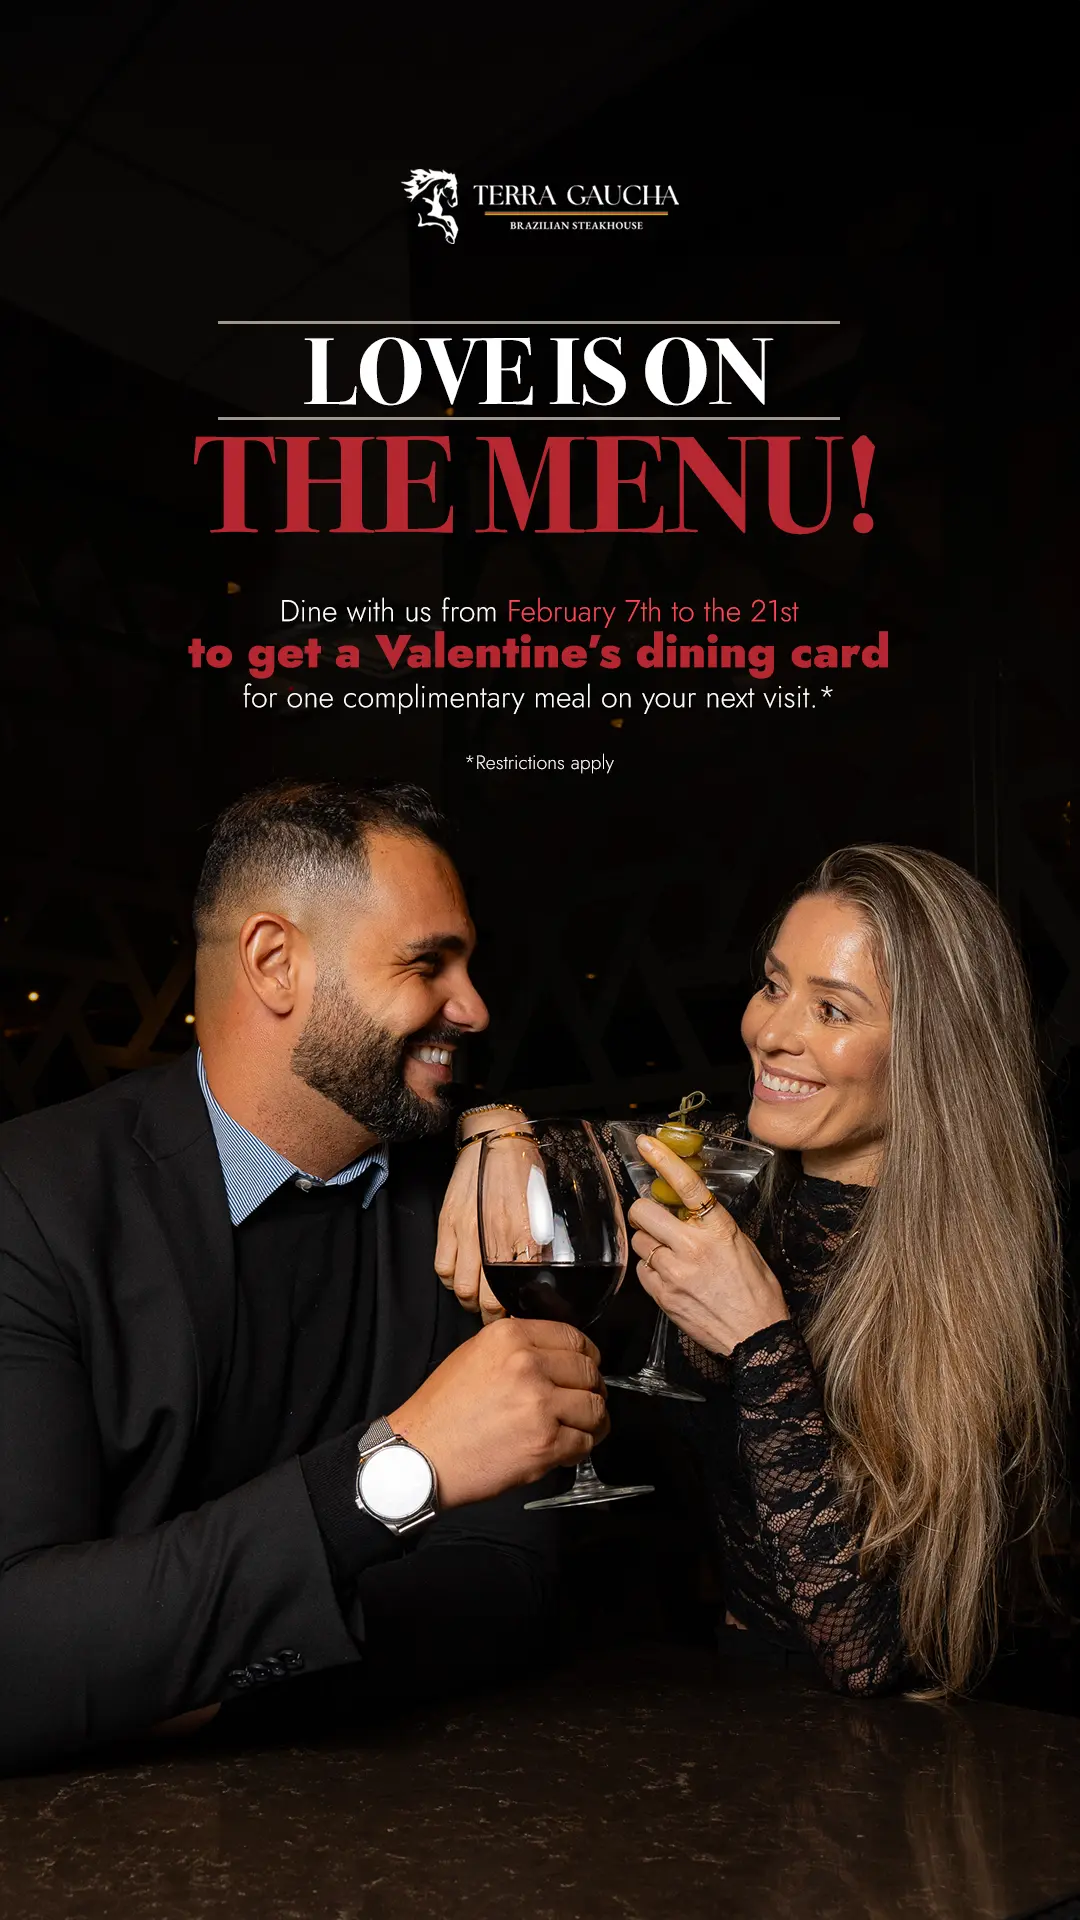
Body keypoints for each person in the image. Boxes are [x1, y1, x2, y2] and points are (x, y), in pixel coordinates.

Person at [0, 780, 609, 1775]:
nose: (474, 1006)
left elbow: (509, 1585)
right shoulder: (33, 1207)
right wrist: (392, 1474)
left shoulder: (467, 1200)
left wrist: (159, 1680)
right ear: (276, 963)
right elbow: (17, 1655)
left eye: (469, 962)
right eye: (427, 964)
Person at [439, 845, 1066, 1698]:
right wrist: (496, 1125)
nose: (772, 1033)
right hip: (727, 1705)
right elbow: (574, 1156)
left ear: (932, 1052)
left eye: (833, 1011)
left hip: (901, 1762)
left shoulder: (968, 1281)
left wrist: (760, 1338)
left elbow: (871, 1656)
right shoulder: (739, 1178)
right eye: (775, 986)